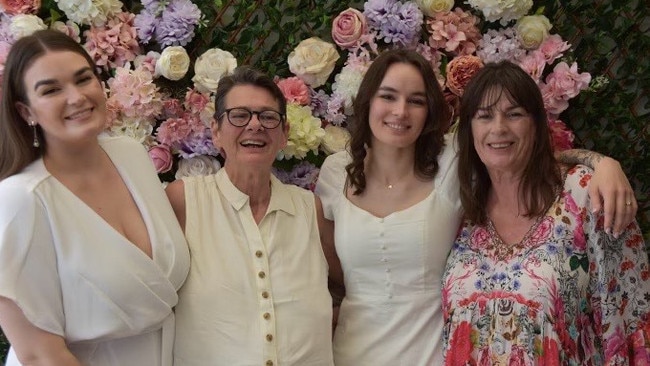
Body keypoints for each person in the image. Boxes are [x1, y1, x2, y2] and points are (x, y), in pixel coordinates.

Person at [314, 49, 638, 365]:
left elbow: (519, 154)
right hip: (350, 352)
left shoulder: (449, 162)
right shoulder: (333, 174)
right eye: (388, 96)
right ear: (367, 100)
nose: (400, 111)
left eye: (416, 100)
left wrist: (603, 164)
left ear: (429, 111)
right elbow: (332, 276)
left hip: (430, 356)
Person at [0, 30, 190, 365]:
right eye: (51, 90)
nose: (75, 97)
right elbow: (39, 355)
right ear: (26, 111)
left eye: (83, 79)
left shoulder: (130, 155)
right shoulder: (20, 200)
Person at [441, 60, 650, 364]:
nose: (498, 128)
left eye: (514, 114)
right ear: (470, 129)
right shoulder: (461, 209)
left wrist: (601, 162)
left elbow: (632, 314)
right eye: (484, 116)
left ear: (537, 124)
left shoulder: (586, 193)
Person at [167, 66, 333, 365]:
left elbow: (341, 291)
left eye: (268, 117)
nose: (255, 125)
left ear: (284, 134)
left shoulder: (311, 210)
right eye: (239, 115)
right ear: (216, 132)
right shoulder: (185, 202)